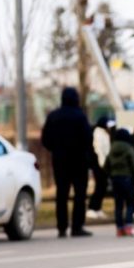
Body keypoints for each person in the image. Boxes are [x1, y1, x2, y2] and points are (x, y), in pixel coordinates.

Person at [41, 87, 93, 237]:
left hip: (60, 160)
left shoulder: (53, 116)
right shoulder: (80, 116)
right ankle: (77, 226)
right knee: (79, 194)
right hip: (79, 160)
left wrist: (56, 149)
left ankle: (62, 227)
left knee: (61, 194)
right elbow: (88, 138)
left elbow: (45, 139)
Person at [104, 128, 134, 237]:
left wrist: (110, 175)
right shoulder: (129, 148)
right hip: (127, 178)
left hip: (115, 178)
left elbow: (106, 165)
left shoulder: (112, 148)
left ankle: (119, 228)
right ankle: (128, 226)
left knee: (118, 204)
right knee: (129, 203)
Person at [86, 115, 115, 220]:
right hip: (99, 164)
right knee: (100, 185)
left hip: (103, 164)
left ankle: (97, 208)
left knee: (103, 186)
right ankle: (92, 208)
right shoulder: (98, 133)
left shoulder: (104, 133)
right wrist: (103, 165)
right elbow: (99, 150)